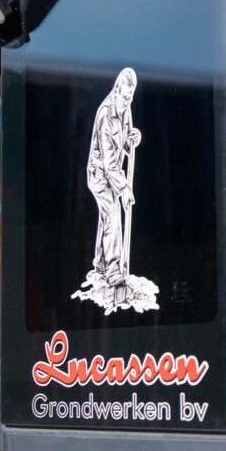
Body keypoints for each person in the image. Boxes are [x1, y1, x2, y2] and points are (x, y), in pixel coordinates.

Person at [86, 68, 141, 298]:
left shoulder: (125, 108)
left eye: (131, 98)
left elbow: (124, 142)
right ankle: (113, 272)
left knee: (106, 218)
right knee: (113, 214)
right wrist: (125, 188)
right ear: (117, 91)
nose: (128, 102)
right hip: (100, 174)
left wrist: (134, 138)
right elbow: (109, 163)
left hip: (113, 173)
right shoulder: (106, 115)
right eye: (125, 97)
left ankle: (100, 264)